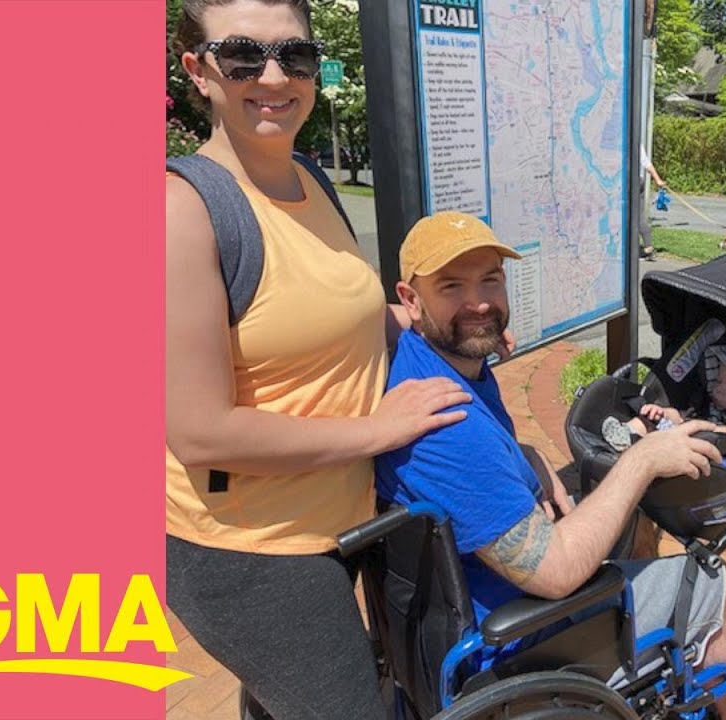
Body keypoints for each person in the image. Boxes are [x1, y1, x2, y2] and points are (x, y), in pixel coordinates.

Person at [164, 2, 490, 717]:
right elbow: (199, 430)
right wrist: (379, 431)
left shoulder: (308, 176)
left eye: (296, 57)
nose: (274, 76)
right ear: (198, 70)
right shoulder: (182, 211)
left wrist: (450, 325)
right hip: (249, 550)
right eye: (244, 56)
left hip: (336, 520)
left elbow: (344, 312)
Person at [375, 212, 726, 720]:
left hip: (452, 615)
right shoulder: (450, 425)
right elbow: (557, 573)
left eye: (490, 280)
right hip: (515, 640)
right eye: (451, 286)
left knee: (612, 517)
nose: (479, 303)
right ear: (410, 300)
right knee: (710, 581)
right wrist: (642, 460)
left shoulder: (427, 364)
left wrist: (525, 455)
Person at [601, 340, 726, 451]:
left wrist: (711, 431)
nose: (720, 389)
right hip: (678, 434)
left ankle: (638, 446)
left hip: (703, 452)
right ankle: (626, 434)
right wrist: (661, 413)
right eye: (718, 380)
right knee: (651, 419)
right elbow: (680, 416)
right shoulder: (705, 399)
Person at [638, 144, 667, 260]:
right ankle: (648, 247)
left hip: (627, 181)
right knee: (638, 216)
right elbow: (647, 164)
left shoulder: (618, 141)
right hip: (639, 180)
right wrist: (658, 180)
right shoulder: (637, 143)